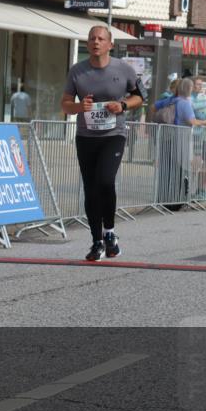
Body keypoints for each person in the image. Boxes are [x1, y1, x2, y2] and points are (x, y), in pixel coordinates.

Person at [61, 25, 146, 262]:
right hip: (86, 136)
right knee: (90, 188)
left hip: (114, 134)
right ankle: (96, 241)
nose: (95, 42)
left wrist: (123, 106)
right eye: (91, 39)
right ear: (87, 44)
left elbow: (140, 96)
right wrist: (80, 107)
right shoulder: (77, 71)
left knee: (105, 181)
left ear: (110, 44)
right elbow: (65, 104)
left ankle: (110, 233)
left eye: (100, 39)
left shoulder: (124, 69)